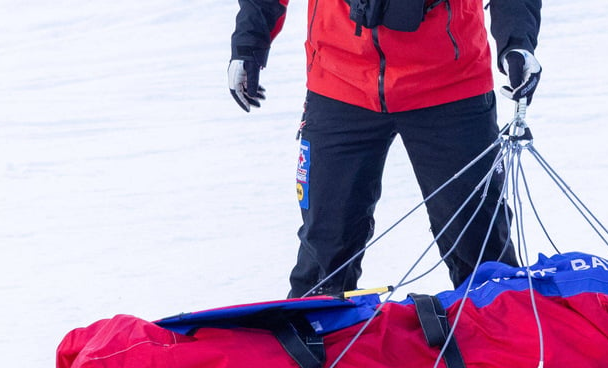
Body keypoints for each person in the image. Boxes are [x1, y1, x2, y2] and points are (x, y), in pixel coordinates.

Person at [228, 0, 543, 297]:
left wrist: (518, 41)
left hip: (450, 82)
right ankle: (313, 338)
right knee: (325, 251)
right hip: (339, 80)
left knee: (478, 243)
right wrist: (249, 43)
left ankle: (502, 337)